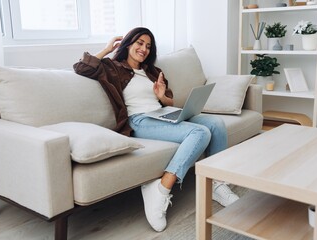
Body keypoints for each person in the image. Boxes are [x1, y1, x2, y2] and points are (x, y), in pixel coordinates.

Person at [73, 27, 239, 232]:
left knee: (216, 124)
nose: (144, 49)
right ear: (128, 44)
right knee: (200, 132)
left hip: (162, 114)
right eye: (139, 43)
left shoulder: (153, 71)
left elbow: (169, 100)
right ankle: (161, 188)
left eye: (148, 46)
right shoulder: (112, 67)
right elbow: (81, 68)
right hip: (139, 120)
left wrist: (162, 96)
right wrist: (107, 49)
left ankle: (216, 183)